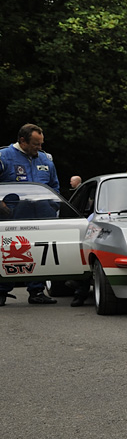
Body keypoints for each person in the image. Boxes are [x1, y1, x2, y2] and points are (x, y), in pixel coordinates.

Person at [0, 124, 59, 304]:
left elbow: (54, 186)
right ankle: (1, 291)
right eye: (36, 144)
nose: (40, 148)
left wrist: (52, 207)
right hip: (12, 219)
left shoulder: (45, 159)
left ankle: (37, 291)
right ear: (23, 141)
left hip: (42, 217)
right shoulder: (3, 156)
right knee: (10, 253)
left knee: (39, 252)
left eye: (41, 143)